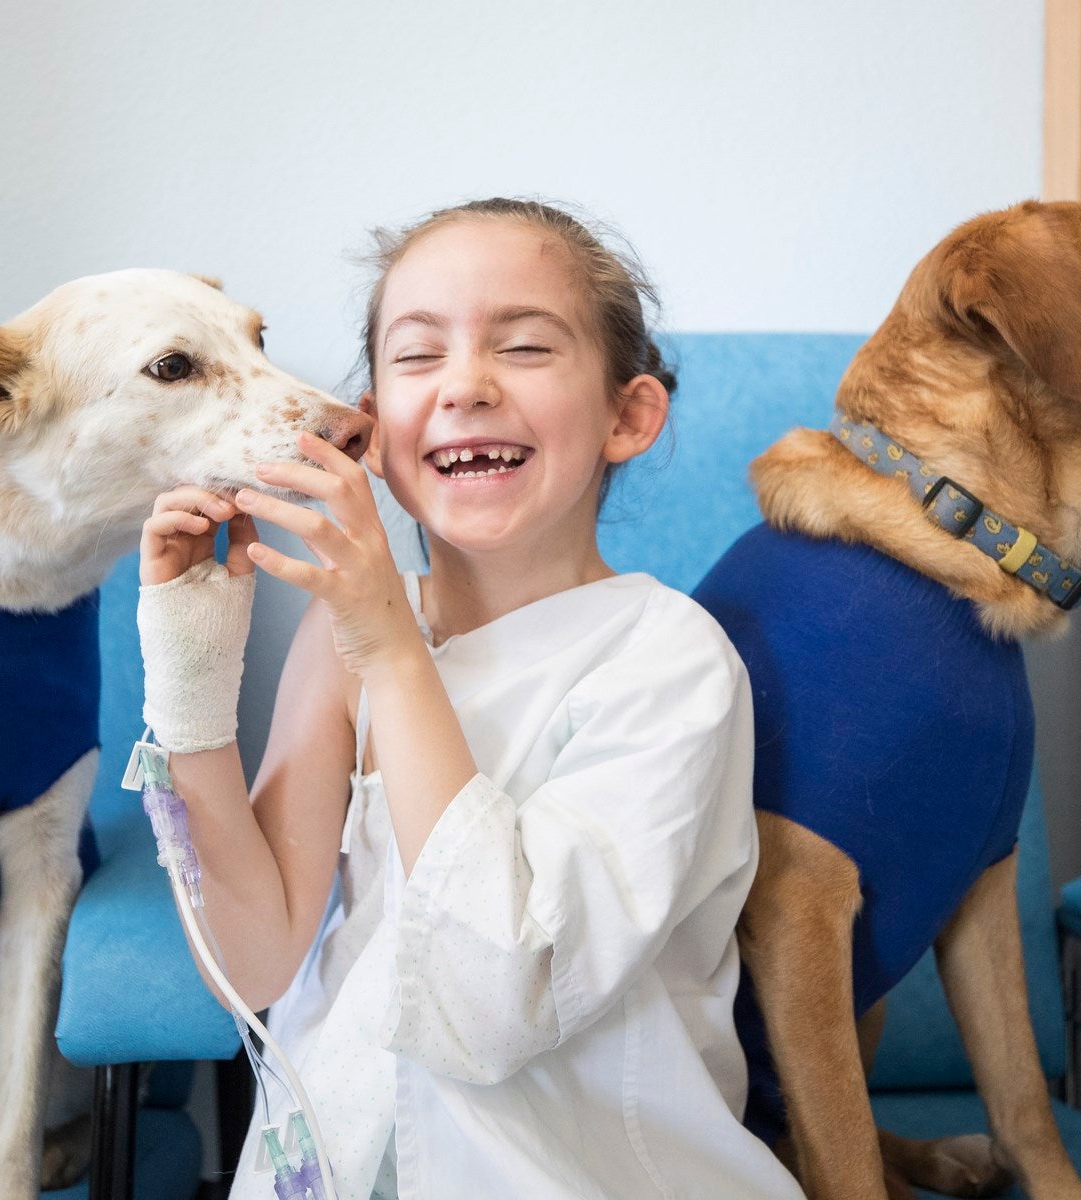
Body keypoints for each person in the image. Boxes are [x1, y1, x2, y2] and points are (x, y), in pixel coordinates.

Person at [136, 198, 804, 1200]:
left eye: (526, 347)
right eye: (416, 357)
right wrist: (192, 669)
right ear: (368, 429)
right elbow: (257, 960)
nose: (466, 387)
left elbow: (500, 1001)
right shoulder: (343, 632)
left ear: (629, 415)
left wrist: (391, 650)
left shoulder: (669, 662)